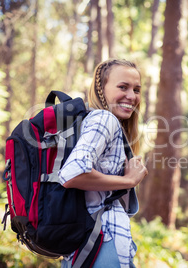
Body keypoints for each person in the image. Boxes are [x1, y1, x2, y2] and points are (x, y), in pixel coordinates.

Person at [58, 59, 148, 268]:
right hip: (101, 245)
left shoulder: (97, 122)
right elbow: (71, 174)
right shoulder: (104, 119)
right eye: (122, 87)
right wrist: (128, 180)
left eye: (136, 89)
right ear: (101, 89)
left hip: (90, 245)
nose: (132, 96)